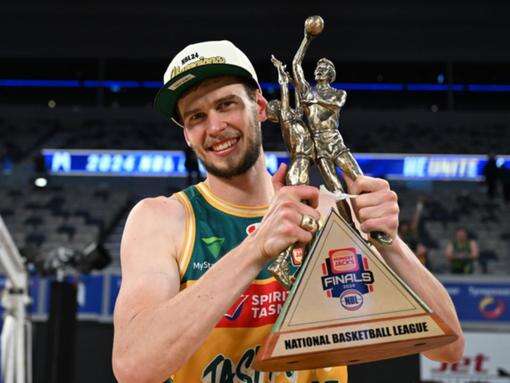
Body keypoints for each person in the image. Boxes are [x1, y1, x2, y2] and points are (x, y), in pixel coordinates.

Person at [112, 40, 464, 383]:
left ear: (261, 107)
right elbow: (134, 367)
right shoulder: (162, 219)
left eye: (226, 104)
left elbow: (449, 347)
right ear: (187, 134)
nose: (215, 126)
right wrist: (256, 247)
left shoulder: (332, 213)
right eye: (196, 116)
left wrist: (390, 242)